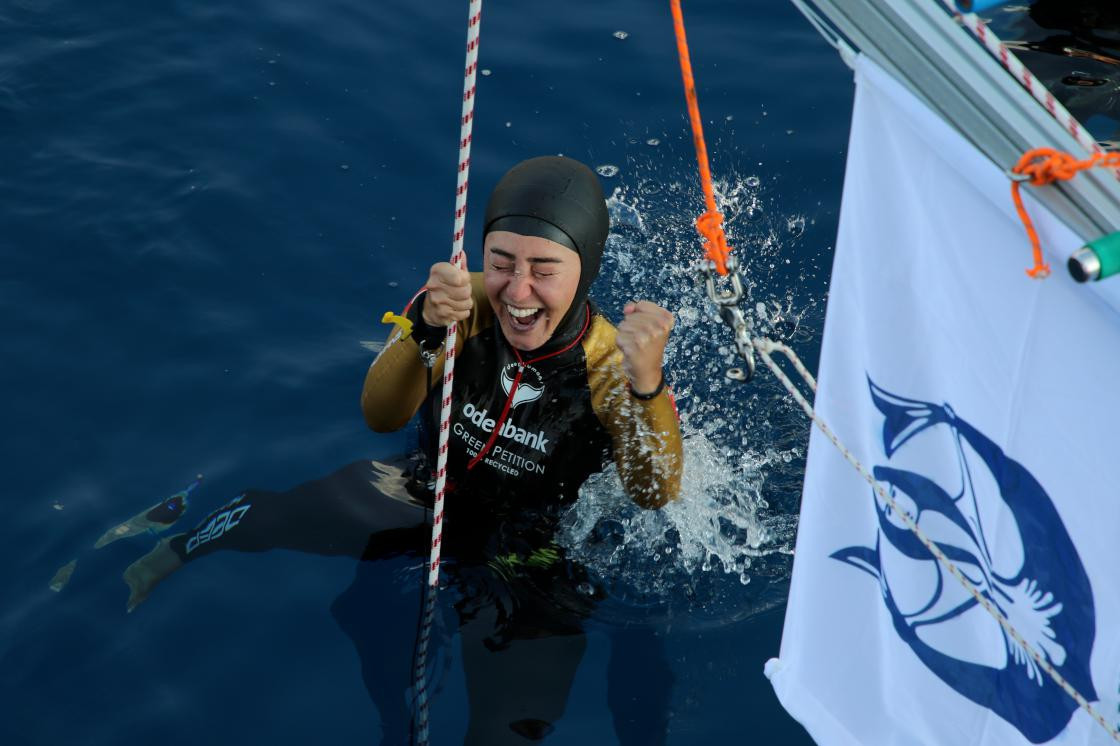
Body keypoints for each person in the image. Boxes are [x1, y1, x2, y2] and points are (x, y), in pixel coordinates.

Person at [124, 155, 683, 745]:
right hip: (424, 490)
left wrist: (648, 385)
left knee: (511, 730)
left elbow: (656, 493)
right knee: (297, 547)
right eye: (500, 263)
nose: (517, 291)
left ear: (585, 270)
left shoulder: (612, 364)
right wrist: (425, 326)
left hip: (535, 554)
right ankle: (172, 550)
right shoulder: (458, 304)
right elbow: (381, 415)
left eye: (544, 270)